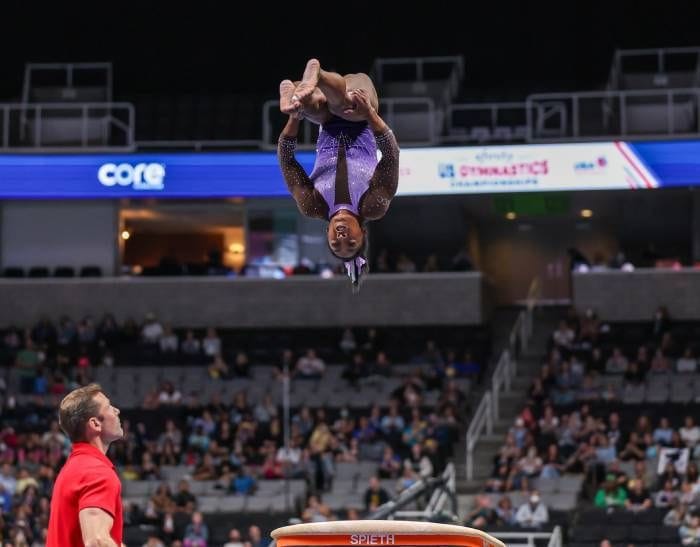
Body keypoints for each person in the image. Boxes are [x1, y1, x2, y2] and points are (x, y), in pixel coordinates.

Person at [277, 58, 400, 290]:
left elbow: (287, 160)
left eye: (335, 244)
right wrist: (371, 114)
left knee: (312, 107)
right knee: (347, 100)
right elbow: (391, 155)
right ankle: (315, 77)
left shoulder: (313, 205)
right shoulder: (373, 206)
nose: (342, 238)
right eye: (351, 243)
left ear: (327, 233)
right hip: (362, 119)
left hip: (327, 123)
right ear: (363, 232)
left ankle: (296, 101)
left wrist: (293, 120)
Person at [47, 383, 124, 547]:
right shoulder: (96, 472)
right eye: (109, 407)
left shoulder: (73, 468)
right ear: (95, 424)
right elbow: (96, 541)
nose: (117, 410)